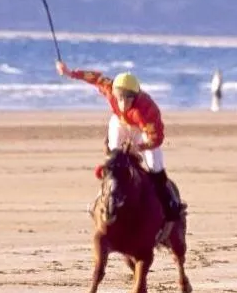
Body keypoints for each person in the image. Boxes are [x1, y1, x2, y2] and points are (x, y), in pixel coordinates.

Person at [57, 60, 184, 221]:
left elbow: (156, 138)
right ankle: (101, 199)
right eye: (120, 98)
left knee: (155, 167)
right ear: (114, 93)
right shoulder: (109, 89)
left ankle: (170, 205)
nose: (123, 102)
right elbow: (94, 78)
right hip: (120, 123)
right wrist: (70, 73)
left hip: (142, 131)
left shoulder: (147, 110)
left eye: (128, 98)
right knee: (113, 157)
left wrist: (140, 147)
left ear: (136, 97)